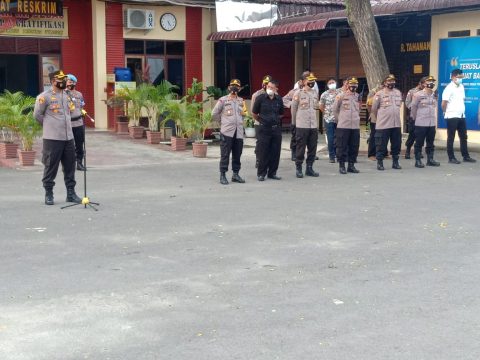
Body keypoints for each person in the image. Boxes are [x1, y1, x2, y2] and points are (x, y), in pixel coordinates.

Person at [33, 70, 82, 205]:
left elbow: (71, 112)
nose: (64, 82)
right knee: (51, 166)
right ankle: (49, 193)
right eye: (60, 79)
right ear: (53, 81)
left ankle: (71, 193)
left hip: (68, 137)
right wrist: (50, 124)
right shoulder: (44, 97)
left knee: (70, 166)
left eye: (64, 79)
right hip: (52, 138)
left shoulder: (67, 96)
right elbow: (37, 115)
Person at [212, 79, 246, 185]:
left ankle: (235, 174)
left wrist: (240, 120)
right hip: (227, 132)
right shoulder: (222, 100)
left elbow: (244, 114)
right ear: (229, 88)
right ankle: (223, 175)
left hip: (239, 132)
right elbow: (214, 114)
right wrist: (222, 122)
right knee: (225, 154)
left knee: (237, 154)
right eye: (233, 86)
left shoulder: (241, 101)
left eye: (237, 86)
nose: (234, 88)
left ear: (239, 88)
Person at [441, 68, 476, 164]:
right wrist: (445, 113)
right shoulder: (448, 88)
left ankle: (466, 156)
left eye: (461, 77)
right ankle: (451, 158)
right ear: (453, 77)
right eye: (459, 77)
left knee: (464, 137)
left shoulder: (461, 86)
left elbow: (462, 100)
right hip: (452, 116)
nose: (461, 79)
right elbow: (443, 103)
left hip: (461, 116)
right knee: (451, 137)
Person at [252, 79, 284, 181]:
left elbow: (281, 113)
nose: (269, 89)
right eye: (268, 86)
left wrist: (274, 121)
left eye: (271, 87)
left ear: (276, 89)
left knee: (275, 152)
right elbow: (254, 113)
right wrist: (263, 121)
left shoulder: (279, 99)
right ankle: (261, 173)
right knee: (263, 152)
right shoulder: (260, 98)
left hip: (276, 129)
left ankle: (272, 173)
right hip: (264, 129)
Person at [371, 74, 403, 171]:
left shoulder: (398, 93)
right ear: (384, 83)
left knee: (396, 144)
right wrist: (380, 118)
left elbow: (399, 106)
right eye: (389, 81)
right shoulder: (379, 94)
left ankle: (395, 162)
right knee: (381, 145)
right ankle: (380, 163)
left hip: (396, 124)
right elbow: (374, 109)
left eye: (393, 81)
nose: (391, 83)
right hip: (383, 124)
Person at [291, 73, 320, 178]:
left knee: (312, 148)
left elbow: (316, 108)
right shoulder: (298, 93)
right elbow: (293, 109)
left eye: (313, 81)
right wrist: (294, 124)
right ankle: (299, 168)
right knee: (300, 148)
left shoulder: (315, 93)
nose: (311, 83)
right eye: (309, 80)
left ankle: (309, 168)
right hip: (301, 125)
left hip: (313, 126)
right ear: (303, 82)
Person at [410, 76, 440, 168]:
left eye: (432, 81)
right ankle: (418, 160)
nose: (431, 83)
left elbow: (434, 107)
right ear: (424, 84)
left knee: (430, 142)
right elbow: (413, 108)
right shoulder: (418, 94)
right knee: (419, 142)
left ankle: (430, 160)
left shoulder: (434, 94)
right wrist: (415, 118)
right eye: (429, 81)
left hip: (431, 123)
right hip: (421, 122)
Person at [333, 77, 361, 174]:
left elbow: (359, 109)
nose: (353, 86)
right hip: (343, 125)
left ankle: (351, 165)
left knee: (354, 146)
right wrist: (339, 120)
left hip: (355, 126)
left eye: (355, 84)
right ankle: (342, 166)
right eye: (351, 84)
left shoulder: (358, 96)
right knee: (342, 146)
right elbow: (335, 110)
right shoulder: (340, 96)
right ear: (347, 85)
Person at [66, 74, 86, 171]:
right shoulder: (63, 94)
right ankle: (69, 164)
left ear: (74, 82)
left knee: (79, 144)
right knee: (68, 146)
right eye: (67, 81)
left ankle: (79, 163)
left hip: (78, 123)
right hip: (67, 124)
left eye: (71, 81)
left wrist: (83, 112)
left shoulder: (79, 94)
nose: (69, 82)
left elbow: (81, 106)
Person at [251, 75, 272, 168]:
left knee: (270, 143)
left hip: (271, 124)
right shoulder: (256, 95)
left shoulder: (275, 95)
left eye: (268, 83)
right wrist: (261, 120)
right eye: (265, 83)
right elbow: (253, 111)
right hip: (259, 123)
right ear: (262, 83)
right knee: (260, 143)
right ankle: (258, 160)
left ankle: (268, 161)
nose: (266, 85)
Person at [319, 78, 340, 163]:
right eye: (330, 83)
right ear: (327, 85)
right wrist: (327, 113)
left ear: (336, 83)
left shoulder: (340, 93)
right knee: (330, 138)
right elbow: (321, 106)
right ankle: (332, 155)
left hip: (339, 119)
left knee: (338, 138)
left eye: (333, 82)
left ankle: (338, 154)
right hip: (328, 119)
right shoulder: (324, 94)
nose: (332, 84)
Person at [283, 78, 303, 161]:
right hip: (296, 118)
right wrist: (292, 104)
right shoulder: (294, 91)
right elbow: (284, 99)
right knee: (295, 136)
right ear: (301, 81)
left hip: (306, 119)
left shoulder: (311, 92)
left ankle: (305, 153)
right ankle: (294, 153)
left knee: (306, 137)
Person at [404, 79, 424, 159]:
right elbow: (407, 102)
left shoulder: (426, 92)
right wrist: (413, 108)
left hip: (423, 117)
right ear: (420, 83)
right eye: (423, 84)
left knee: (421, 135)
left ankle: (419, 151)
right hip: (414, 117)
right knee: (412, 135)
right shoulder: (412, 91)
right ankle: (408, 151)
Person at [366, 84, 383, 160]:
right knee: (373, 135)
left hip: (384, 118)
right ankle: (371, 154)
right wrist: (371, 113)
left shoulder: (388, 92)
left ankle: (383, 152)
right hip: (374, 117)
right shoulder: (373, 92)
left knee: (383, 136)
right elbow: (369, 104)